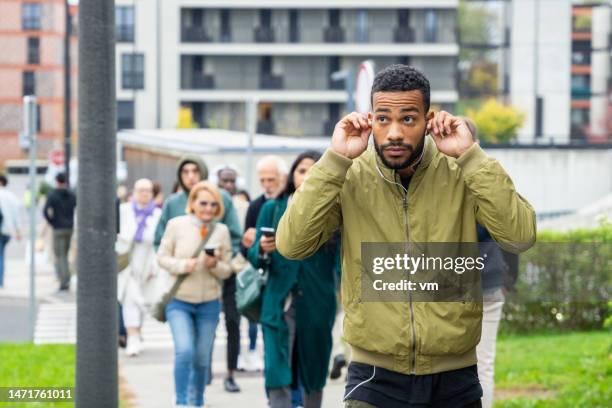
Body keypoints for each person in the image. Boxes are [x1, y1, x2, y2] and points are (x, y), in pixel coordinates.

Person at [276, 65, 537, 408]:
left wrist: (471, 157)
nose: (394, 132)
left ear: (428, 120)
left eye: (408, 119)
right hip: (374, 375)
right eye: (383, 119)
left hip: (454, 376)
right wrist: (335, 161)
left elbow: (520, 236)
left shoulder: (460, 167)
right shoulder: (350, 173)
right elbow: (292, 244)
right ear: (371, 119)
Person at [248, 151, 339, 408]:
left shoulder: (334, 210)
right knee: (277, 366)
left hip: (317, 300)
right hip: (279, 299)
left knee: (315, 364)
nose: (307, 175)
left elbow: (344, 259)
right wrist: (263, 249)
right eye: (301, 170)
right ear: (292, 176)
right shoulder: (272, 208)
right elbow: (255, 256)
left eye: (314, 170)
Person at [154, 154, 242, 391]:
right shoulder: (173, 203)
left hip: (218, 275)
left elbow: (234, 235)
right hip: (182, 285)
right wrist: (176, 265)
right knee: (186, 347)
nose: (191, 176)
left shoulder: (221, 197)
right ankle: (194, 385)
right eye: (185, 172)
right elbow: (160, 243)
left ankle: (227, 374)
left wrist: (221, 260)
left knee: (229, 323)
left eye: (195, 171)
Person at [117, 178, 162, 356]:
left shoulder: (158, 215)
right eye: (141, 190)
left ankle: (138, 332)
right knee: (130, 299)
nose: (144, 194)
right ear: (134, 192)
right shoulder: (124, 211)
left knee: (142, 302)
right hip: (128, 262)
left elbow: (159, 241)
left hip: (149, 262)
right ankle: (132, 337)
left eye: (148, 190)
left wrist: (156, 265)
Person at [215, 165, 249, 392]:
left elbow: (247, 238)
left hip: (234, 272)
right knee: (206, 322)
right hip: (209, 269)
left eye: (232, 181)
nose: (228, 185)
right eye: (224, 181)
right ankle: (203, 369)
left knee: (233, 323)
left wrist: (236, 264)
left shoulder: (244, 206)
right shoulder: (209, 204)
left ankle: (230, 373)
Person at [43, 172, 77, 292]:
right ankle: (66, 278)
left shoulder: (52, 195)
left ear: (57, 181)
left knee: (60, 255)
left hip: (58, 228)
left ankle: (64, 280)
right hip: (69, 228)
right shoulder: (72, 195)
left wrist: (52, 222)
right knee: (65, 254)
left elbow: (45, 211)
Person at [0, 174, 22, 288]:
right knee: (1, 254)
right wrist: (18, 231)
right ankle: (1, 280)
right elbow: (16, 215)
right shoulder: (11, 197)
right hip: (7, 230)